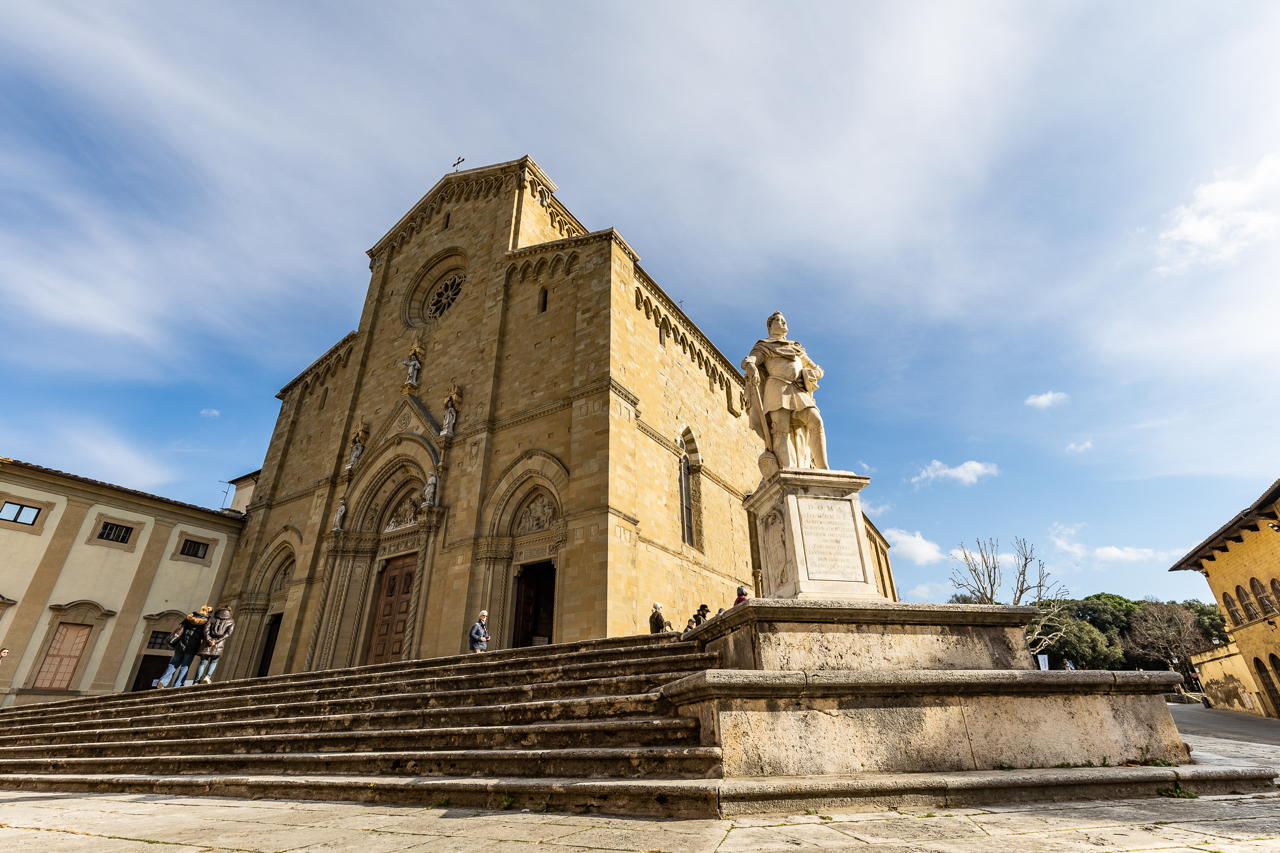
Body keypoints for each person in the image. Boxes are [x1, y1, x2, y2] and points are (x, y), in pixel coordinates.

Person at [741, 311, 829, 470]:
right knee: (781, 430)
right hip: (777, 388)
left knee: (816, 422)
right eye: (778, 320)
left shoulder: (796, 348)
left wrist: (810, 374)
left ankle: (823, 467)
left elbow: (818, 369)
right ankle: (787, 469)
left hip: (798, 389)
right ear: (770, 326)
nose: (783, 323)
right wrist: (751, 366)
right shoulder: (764, 345)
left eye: (784, 320)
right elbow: (750, 359)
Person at [156, 606, 212, 688]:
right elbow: (205, 635)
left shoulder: (189, 618)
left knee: (173, 663)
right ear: (208, 612)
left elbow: (180, 629)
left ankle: (163, 681)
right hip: (192, 647)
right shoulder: (206, 622)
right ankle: (177, 685)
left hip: (181, 644)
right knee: (185, 666)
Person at [192, 606, 235, 685]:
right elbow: (228, 633)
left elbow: (206, 630)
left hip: (207, 644)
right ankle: (207, 677)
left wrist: (209, 640)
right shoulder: (231, 621)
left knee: (203, 662)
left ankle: (196, 681)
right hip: (219, 644)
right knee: (214, 662)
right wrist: (217, 641)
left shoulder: (212, 618)